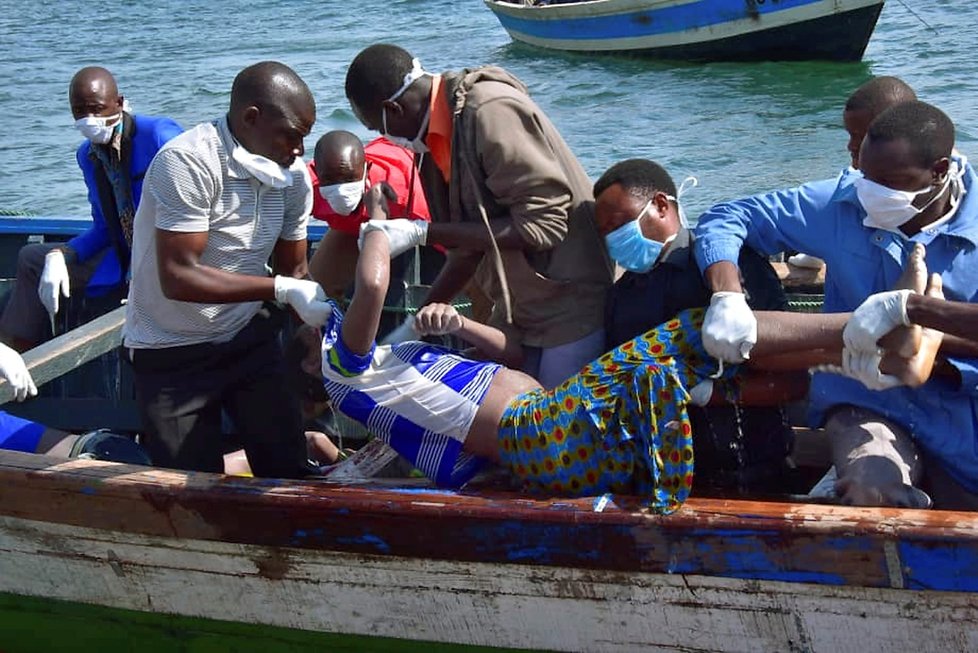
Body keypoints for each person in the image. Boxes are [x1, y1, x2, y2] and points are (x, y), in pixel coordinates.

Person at [287, 182, 942, 514]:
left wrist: (454, 328)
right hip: (543, 434)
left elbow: (509, 353)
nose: (339, 322)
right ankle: (881, 325)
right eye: (326, 331)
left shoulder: (386, 372)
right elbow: (374, 277)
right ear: (317, 359)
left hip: (555, 426)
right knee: (688, 334)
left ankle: (877, 352)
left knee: (692, 350)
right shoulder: (348, 370)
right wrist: (383, 221)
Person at [694, 101, 978, 510]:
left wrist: (929, 342)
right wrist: (726, 294)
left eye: (889, 182)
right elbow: (727, 216)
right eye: (866, 177)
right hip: (870, 404)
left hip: (961, 406)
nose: (871, 193)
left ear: (939, 171)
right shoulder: (843, 202)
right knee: (871, 495)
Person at [344, 44, 614, 388]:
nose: (385, 138)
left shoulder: (490, 112)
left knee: (554, 427)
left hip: (570, 304)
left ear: (392, 109)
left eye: (377, 127)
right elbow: (466, 250)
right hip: (520, 309)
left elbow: (544, 225)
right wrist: (409, 332)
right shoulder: (430, 144)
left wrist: (422, 232)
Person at [123, 61, 331, 478]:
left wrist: (314, 337)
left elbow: (295, 270)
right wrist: (282, 290)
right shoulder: (188, 162)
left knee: (287, 471)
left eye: (304, 138)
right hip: (169, 350)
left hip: (245, 336)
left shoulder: (293, 181)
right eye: (290, 135)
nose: (298, 151)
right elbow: (179, 275)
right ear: (251, 118)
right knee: (189, 489)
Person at [595, 159, 794, 494]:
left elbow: (792, 384)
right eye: (606, 234)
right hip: (656, 476)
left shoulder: (729, 270)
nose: (615, 239)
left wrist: (701, 394)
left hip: (751, 470)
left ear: (660, 205)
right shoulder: (620, 297)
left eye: (620, 224)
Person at [0, 67, 182, 352]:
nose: (89, 119)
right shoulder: (87, 155)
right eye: (79, 111)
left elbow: (196, 201)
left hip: (170, 254)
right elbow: (102, 228)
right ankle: (12, 357)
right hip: (123, 256)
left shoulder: (158, 136)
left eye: (96, 109)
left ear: (119, 103)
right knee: (32, 257)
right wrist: (62, 255)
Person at [788, 75, 917, 270]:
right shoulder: (846, 189)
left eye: (859, 136)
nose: (850, 145)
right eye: (850, 135)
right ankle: (819, 243)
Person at [307, 130, 432, 299]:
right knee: (314, 291)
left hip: (411, 199)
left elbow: (453, 242)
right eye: (329, 180)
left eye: (349, 179)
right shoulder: (305, 188)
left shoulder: (405, 197)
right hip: (352, 224)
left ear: (367, 169)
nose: (340, 189)